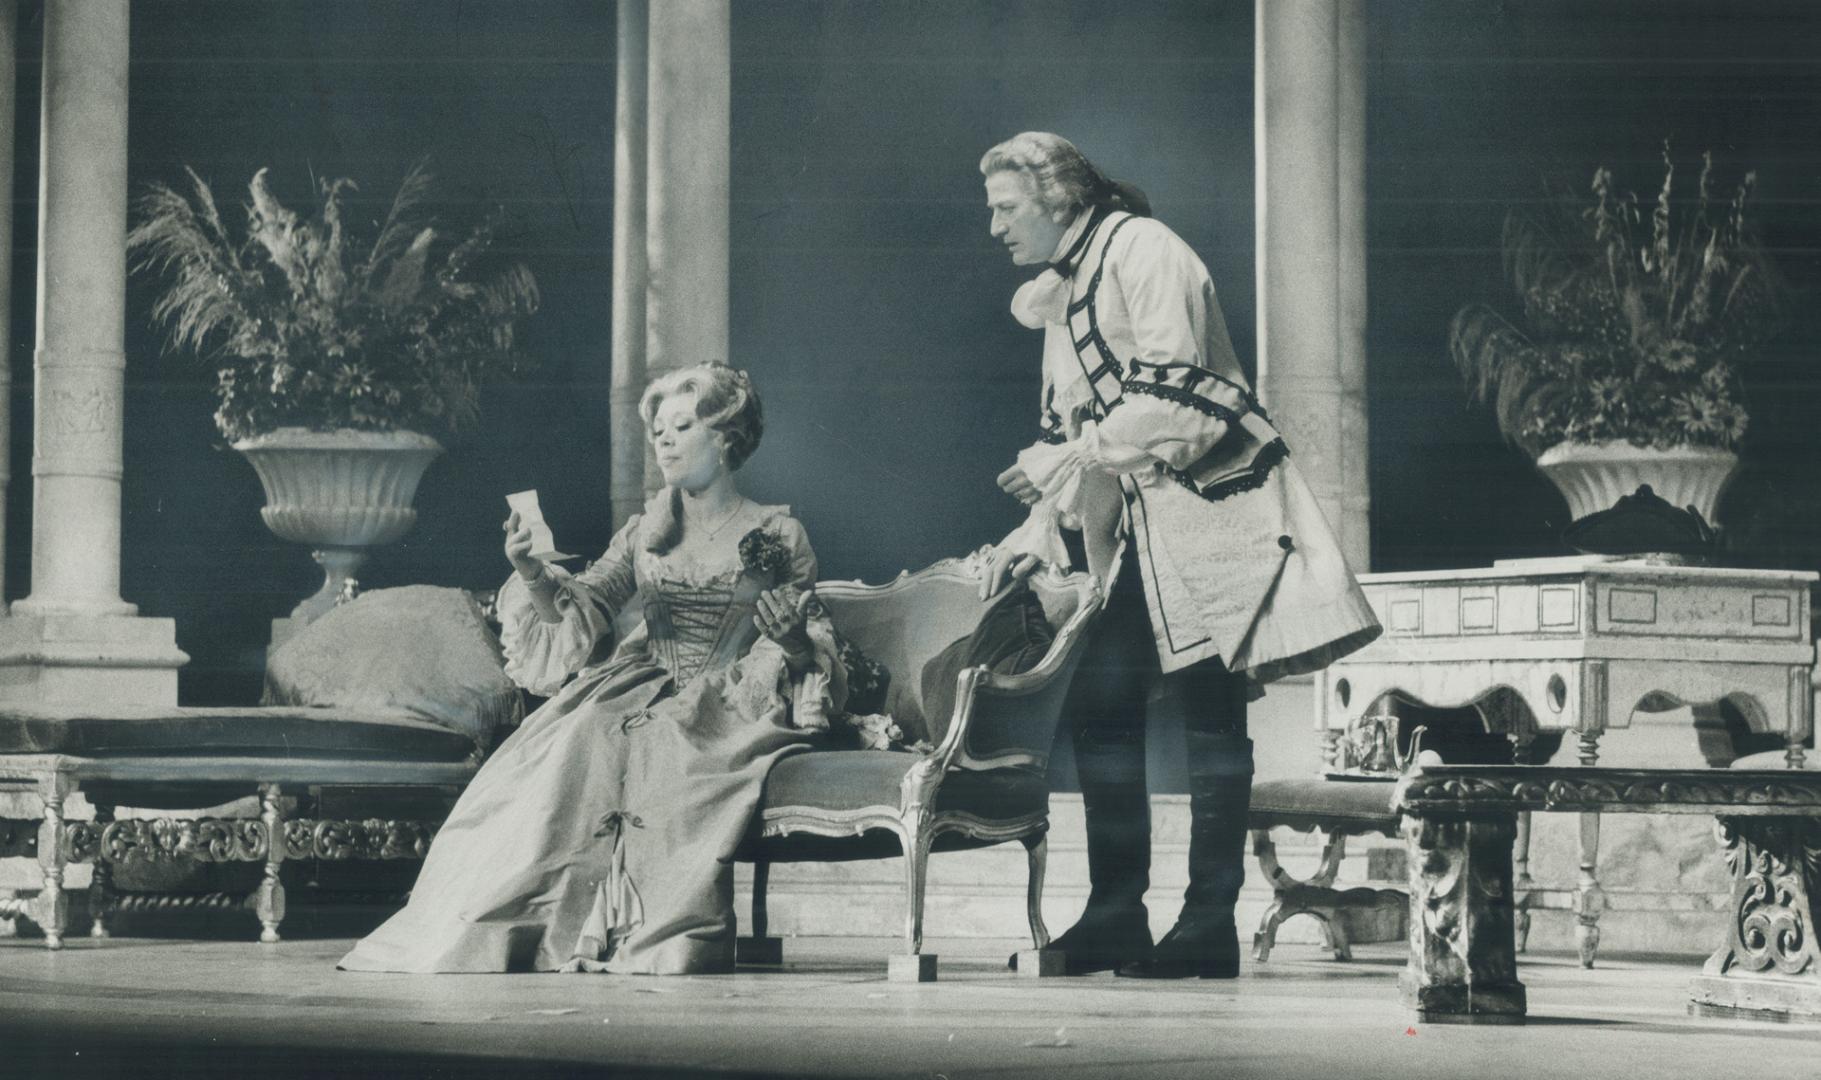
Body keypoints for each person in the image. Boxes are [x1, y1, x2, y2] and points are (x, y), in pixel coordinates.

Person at [978, 132, 1381, 979]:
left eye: (1006, 208)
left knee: (1210, 714)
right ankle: (1116, 912)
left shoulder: (1143, 250)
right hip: (1133, 531)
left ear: (1057, 198)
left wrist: (1074, 457)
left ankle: (1208, 923)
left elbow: (1183, 400)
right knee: (1102, 709)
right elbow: (1072, 428)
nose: (995, 228)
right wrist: (1034, 527)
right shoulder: (1065, 289)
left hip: (1210, 512)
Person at [339, 363, 846, 975]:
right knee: (573, 741)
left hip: (729, 700)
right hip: (640, 682)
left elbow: (804, 636)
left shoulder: (777, 532)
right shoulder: (645, 532)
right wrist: (531, 573)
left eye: (681, 426)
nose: (662, 440)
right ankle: (546, 926)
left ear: (726, 438)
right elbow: (588, 604)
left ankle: (652, 933)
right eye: (657, 429)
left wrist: (790, 645)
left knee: (671, 747)